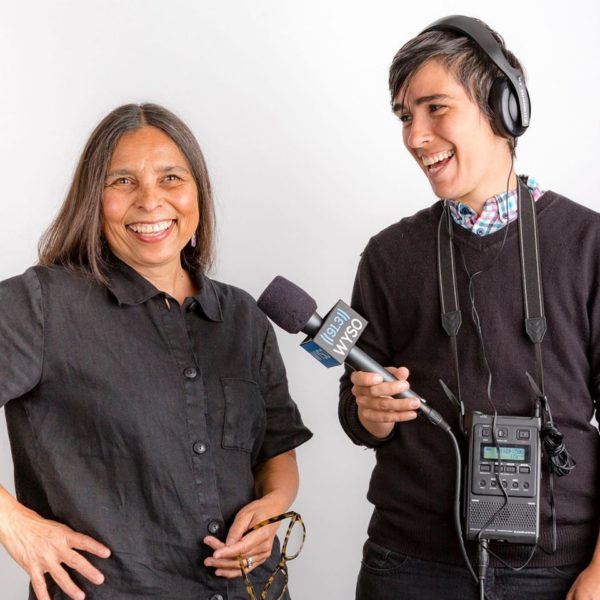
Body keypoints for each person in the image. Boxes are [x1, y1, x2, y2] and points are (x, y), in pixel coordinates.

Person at [0, 103, 312, 600]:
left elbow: (275, 449)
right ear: (92, 198)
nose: (151, 200)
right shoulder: (42, 304)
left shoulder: (242, 318)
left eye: (171, 177)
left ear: (197, 192)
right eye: (122, 182)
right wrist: (14, 525)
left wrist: (273, 506)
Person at [338, 15, 600, 600]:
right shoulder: (386, 256)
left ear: (503, 107)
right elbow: (354, 409)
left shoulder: (589, 245)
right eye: (405, 116)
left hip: (560, 569)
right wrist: (369, 413)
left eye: (435, 108)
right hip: (408, 566)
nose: (414, 135)